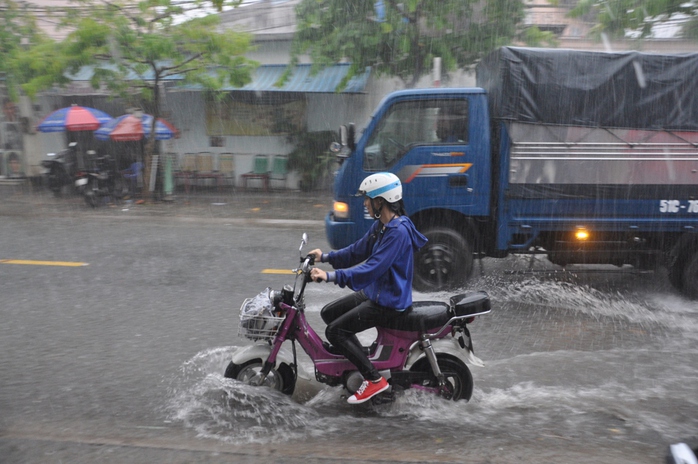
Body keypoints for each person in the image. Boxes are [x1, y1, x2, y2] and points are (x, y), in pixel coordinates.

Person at [308, 172, 428, 404]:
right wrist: (325, 256)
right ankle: (359, 361)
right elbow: (357, 251)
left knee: (335, 331)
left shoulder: (398, 232)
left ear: (380, 201)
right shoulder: (382, 226)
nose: (365, 203)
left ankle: (373, 379)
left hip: (389, 302)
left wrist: (330, 276)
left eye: (368, 199)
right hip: (377, 293)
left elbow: (371, 269)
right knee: (329, 314)